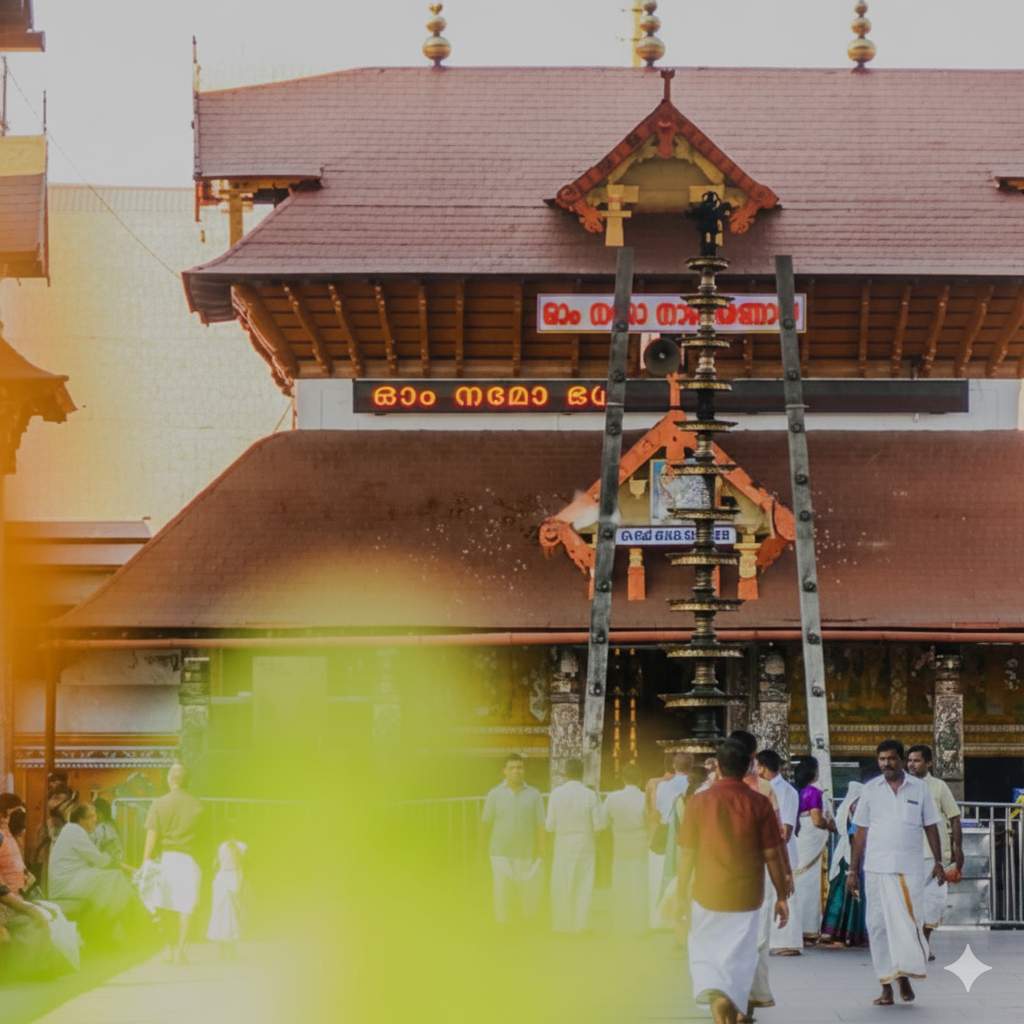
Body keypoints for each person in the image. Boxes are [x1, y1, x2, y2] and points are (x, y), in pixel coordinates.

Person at [677, 739, 790, 1024]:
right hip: (747, 895)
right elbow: (773, 855)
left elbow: (687, 854)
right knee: (739, 958)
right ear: (749, 766)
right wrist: (781, 896)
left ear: (718, 765)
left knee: (705, 953)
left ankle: (717, 999)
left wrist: (680, 894)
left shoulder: (699, 801)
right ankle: (727, 1001)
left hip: (707, 892)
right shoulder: (760, 802)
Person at [847, 739, 945, 1006]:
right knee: (878, 927)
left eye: (891, 759)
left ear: (901, 760)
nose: (886, 764)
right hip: (876, 869)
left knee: (909, 925)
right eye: (881, 759)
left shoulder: (920, 789)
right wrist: (852, 871)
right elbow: (860, 832)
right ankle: (886, 984)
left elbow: (931, 826)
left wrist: (938, 861)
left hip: (910, 869)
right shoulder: (870, 790)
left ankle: (905, 974)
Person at [729, 731, 789, 1022]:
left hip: (719, 875)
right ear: (753, 755)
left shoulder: (709, 788)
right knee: (755, 940)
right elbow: (776, 841)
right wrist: (784, 881)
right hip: (756, 874)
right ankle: (746, 1005)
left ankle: (729, 1002)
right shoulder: (763, 789)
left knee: (726, 942)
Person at [143, 763, 205, 965]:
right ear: (188, 781)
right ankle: (181, 953)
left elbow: (151, 836)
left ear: (170, 780)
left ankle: (168, 950)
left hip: (167, 859)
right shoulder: (198, 805)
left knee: (166, 906)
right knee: (186, 908)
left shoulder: (158, 804)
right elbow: (206, 840)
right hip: (189, 860)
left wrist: (145, 861)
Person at [906, 744, 963, 955]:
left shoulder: (939, 787)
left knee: (934, 903)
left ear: (928, 763)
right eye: (910, 760)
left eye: (917, 760)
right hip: (910, 855)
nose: (912, 765)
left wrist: (959, 849)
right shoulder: (902, 787)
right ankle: (915, 946)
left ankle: (923, 944)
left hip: (936, 857)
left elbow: (955, 818)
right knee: (911, 903)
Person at [48, 803, 138, 932]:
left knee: (112, 882)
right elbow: (99, 860)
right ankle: (108, 921)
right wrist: (112, 860)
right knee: (116, 877)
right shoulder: (74, 831)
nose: (95, 823)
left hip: (72, 880)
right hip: (67, 883)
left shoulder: (73, 830)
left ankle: (108, 924)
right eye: (91, 819)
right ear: (81, 820)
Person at [479, 753, 545, 926]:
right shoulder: (494, 794)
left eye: (519, 767)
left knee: (527, 890)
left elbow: (540, 824)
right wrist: (480, 853)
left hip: (525, 852)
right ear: (504, 771)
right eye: (512, 768)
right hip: (500, 852)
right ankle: (501, 926)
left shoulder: (534, 794)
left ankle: (526, 924)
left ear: (523, 770)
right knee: (501, 890)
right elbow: (485, 824)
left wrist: (542, 849)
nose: (516, 771)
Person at [545, 758, 604, 933]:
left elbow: (550, 826)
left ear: (565, 773)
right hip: (585, 845)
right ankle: (582, 926)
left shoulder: (556, 794)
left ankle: (562, 926)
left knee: (561, 886)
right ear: (582, 773)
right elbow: (599, 825)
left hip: (563, 845)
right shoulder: (590, 795)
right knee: (584, 886)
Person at [756, 751, 802, 956]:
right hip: (767, 847)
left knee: (784, 892)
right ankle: (770, 939)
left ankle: (788, 941)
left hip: (781, 846)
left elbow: (786, 827)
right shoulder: (761, 789)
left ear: (763, 767)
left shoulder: (787, 791)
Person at [601, 764, 648, 935]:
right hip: (640, 841)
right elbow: (650, 820)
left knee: (621, 885)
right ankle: (640, 926)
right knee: (640, 885)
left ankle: (620, 925)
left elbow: (602, 821)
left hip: (620, 842)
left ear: (622, 778)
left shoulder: (613, 798)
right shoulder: (645, 797)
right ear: (640, 778)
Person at [820, 781, 868, 947]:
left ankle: (843, 931)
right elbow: (854, 835)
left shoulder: (848, 812)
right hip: (850, 857)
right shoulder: (853, 814)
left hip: (848, 857)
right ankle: (842, 931)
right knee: (846, 894)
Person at [793, 755, 833, 944]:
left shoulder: (797, 791)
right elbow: (817, 821)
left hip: (802, 839)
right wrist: (831, 826)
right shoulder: (814, 792)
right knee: (810, 883)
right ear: (814, 772)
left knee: (799, 881)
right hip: (812, 839)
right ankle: (808, 929)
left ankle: (797, 927)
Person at [207, 823, 248, 959]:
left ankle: (221, 952)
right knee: (231, 916)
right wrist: (240, 886)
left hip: (220, 881)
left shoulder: (221, 847)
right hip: (233, 879)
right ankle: (232, 951)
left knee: (218, 914)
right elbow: (242, 868)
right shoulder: (242, 847)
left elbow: (214, 866)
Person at [645, 753, 675, 928]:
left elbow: (649, 813)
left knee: (656, 880)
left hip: (656, 837)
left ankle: (656, 920)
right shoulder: (686, 784)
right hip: (674, 837)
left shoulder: (653, 784)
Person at [90, 798, 124, 865]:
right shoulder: (112, 825)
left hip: (109, 864)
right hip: (116, 861)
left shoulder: (102, 828)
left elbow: (94, 850)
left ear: (100, 813)